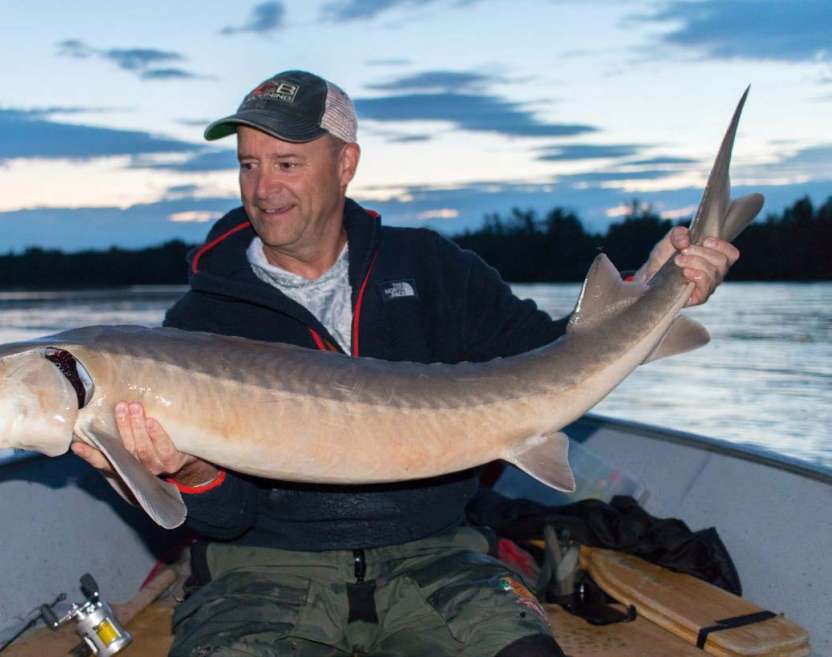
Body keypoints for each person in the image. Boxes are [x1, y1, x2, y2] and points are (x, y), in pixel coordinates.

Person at [72, 70, 741, 657]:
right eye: (248, 164)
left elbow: (559, 350)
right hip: (265, 573)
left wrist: (657, 282)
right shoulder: (199, 323)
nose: (263, 187)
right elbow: (225, 517)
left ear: (345, 163)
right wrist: (184, 470)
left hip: (438, 555)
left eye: (286, 162)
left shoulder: (431, 266)